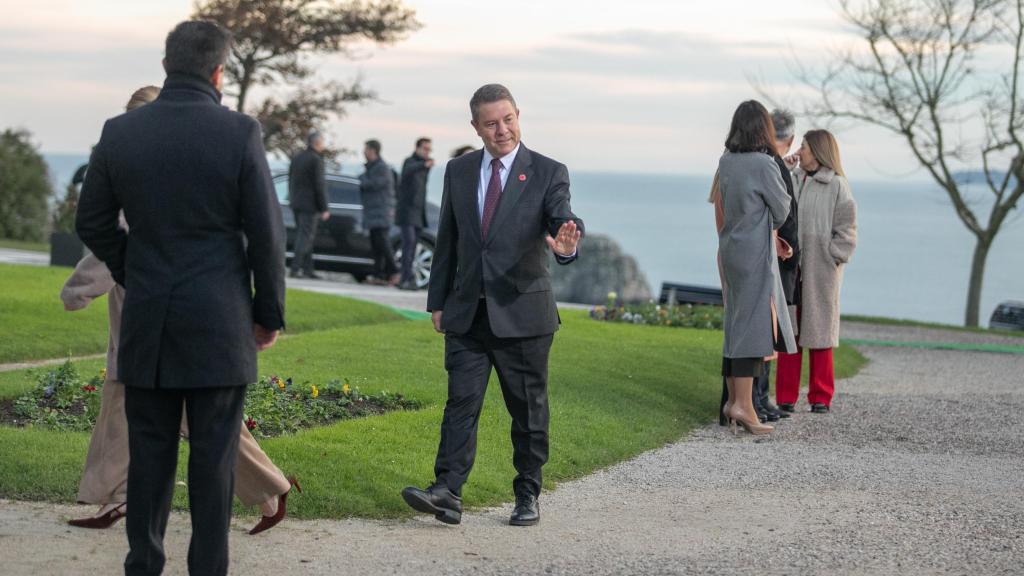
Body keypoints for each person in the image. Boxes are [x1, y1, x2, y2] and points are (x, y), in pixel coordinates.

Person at [76, 20, 286, 576]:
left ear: (166, 66)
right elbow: (267, 234)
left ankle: (143, 564)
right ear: (219, 72)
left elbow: (92, 221)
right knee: (213, 465)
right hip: (220, 324)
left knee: (149, 460)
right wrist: (267, 316)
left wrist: (134, 270)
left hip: (149, 320)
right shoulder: (240, 133)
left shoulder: (120, 132)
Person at [401, 84, 584, 527]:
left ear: (518, 116)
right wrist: (438, 300)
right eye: (490, 123)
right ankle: (447, 491)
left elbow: (562, 215)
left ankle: (527, 492)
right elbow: (448, 238)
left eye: (508, 120)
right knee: (459, 405)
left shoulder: (547, 171)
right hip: (467, 313)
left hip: (524, 314)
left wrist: (565, 242)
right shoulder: (458, 170)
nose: (501, 130)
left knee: (527, 409)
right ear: (475, 127)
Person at [716, 100, 796, 436]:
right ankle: (744, 406)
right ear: (762, 128)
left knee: (736, 323)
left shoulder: (726, 161)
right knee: (753, 326)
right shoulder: (764, 164)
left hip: (731, 247)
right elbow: (782, 209)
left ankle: (734, 399)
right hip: (755, 251)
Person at [775, 129, 857, 414]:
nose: (801, 151)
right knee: (790, 332)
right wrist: (785, 169)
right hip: (791, 267)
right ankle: (785, 396)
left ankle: (821, 396)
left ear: (818, 151)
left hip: (820, 269)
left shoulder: (836, 185)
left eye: (805, 147)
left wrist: (833, 256)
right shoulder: (794, 179)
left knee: (820, 332)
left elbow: (847, 230)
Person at [751, 108, 801, 422]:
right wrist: (792, 249)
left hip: (771, 253)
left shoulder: (771, 164)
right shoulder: (771, 166)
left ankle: (761, 397)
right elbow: (784, 211)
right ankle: (757, 398)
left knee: (768, 331)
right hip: (776, 254)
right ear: (791, 137)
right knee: (767, 331)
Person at [288, 131, 330, 279]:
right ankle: (295, 268)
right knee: (305, 237)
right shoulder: (316, 160)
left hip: (296, 202)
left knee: (306, 236)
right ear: (317, 143)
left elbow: (291, 179)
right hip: (310, 205)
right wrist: (324, 207)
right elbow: (319, 185)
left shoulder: (298, 158)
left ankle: (308, 268)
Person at [359, 139, 399, 285]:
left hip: (381, 212)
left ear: (372, 151)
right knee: (376, 245)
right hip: (373, 212)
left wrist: (362, 178)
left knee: (383, 243)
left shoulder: (381, 168)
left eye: (365, 149)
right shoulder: (372, 167)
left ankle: (395, 271)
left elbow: (371, 184)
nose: (363, 152)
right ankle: (378, 275)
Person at [396, 137, 434, 290]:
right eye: (425, 149)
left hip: (419, 213)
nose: (427, 152)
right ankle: (404, 279)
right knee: (408, 244)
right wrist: (423, 164)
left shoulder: (424, 167)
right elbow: (407, 172)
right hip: (407, 212)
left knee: (414, 246)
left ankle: (409, 279)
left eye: (429, 149)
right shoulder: (410, 162)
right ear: (417, 148)